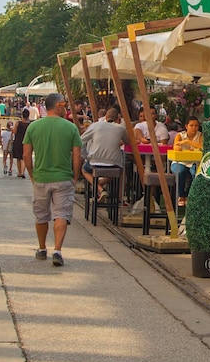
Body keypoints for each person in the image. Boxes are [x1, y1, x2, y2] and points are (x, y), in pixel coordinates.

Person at [22, 93, 82, 267]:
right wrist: (75, 176)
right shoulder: (71, 128)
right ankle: (57, 250)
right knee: (61, 213)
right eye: (64, 105)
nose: (66, 109)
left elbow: (26, 154)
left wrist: (32, 174)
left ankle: (42, 248)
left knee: (41, 215)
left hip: (41, 177)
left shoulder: (34, 127)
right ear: (58, 106)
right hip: (63, 178)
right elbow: (77, 156)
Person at [80, 108, 129, 199]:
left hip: (95, 161)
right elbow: (128, 142)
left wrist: (85, 156)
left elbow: (81, 141)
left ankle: (99, 188)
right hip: (114, 163)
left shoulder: (96, 126)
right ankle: (119, 198)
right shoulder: (121, 128)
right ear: (118, 119)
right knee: (120, 171)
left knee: (84, 170)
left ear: (106, 117)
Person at [171, 116, 202, 207]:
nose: (194, 128)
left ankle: (189, 195)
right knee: (180, 172)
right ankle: (181, 195)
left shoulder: (200, 135)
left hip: (194, 162)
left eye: (196, 126)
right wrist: (180, 146)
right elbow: (176, 147)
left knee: (196, 174)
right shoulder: (180, 135)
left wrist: (188, 142)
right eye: (191, 125)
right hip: (180, 161)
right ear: (186, 126)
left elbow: (202, 146)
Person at [11, 108, 32, 177]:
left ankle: (20, 172)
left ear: (22, 115)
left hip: (18, 141)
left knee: (18, 158)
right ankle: (23, 171)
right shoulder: (30, 125)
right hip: (26, 142)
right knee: (23, 158)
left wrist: (11, 129)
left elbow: (14, 132)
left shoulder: (18, 123)